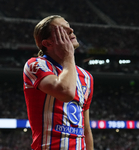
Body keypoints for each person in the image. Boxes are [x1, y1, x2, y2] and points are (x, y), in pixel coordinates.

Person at [23, 15, 94, 150]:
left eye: (69, 25)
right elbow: (65, 92)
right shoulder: (35, 65)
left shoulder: (86, 77)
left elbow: (86, 130)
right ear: (47, 43)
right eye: (62, 29)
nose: (71, 30)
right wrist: (69, 56)